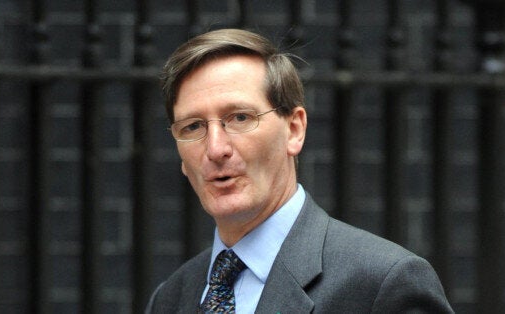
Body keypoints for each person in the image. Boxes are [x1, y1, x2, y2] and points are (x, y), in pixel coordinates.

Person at [146, 28, 453, 313]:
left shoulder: (382, 283)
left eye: (240, 118)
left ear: (294, 130)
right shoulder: (171, 297)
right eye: (193, 126)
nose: (215, 148)